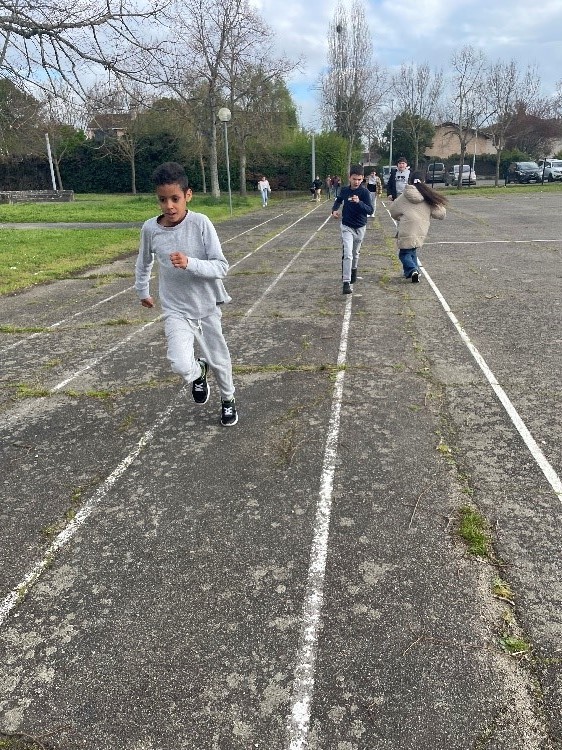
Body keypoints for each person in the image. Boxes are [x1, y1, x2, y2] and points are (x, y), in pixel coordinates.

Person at [134, 161, 238, 426]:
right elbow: (144, 261)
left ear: (187, 195)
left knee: (219, 359)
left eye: (175, 199)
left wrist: (190, 263)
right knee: (180, 364)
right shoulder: (150, 229)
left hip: (206, 305)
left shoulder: (201, 224)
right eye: (162, 200)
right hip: (175, 308)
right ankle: (197, 371)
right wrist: (142, 290)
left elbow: (221, 266)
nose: (169, 206)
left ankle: (228, 399)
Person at [389, 171, 447, 283]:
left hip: (407, 227)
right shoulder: (427, 196)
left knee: (404, 253)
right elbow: (440, 214)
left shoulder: (404, 196)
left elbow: (393, 211)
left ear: (410, 181)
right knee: (412, 251)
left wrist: (399, 217)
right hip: (421, 228)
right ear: (424, 181)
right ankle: (412, 272)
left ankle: (412, 269)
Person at [330, 164, 373, 294]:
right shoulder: (344, 190)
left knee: (355, 254)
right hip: (347, 226)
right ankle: (346, 282)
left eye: (359, 179)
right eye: (354, 179)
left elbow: (370, 210)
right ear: (349, 178)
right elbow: (338, 200)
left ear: (363, 179)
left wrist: (359, 202)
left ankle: (354, 270)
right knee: (347, 254)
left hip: (360, 227)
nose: (357, 182)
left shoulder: (364, 192)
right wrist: (334, 210)